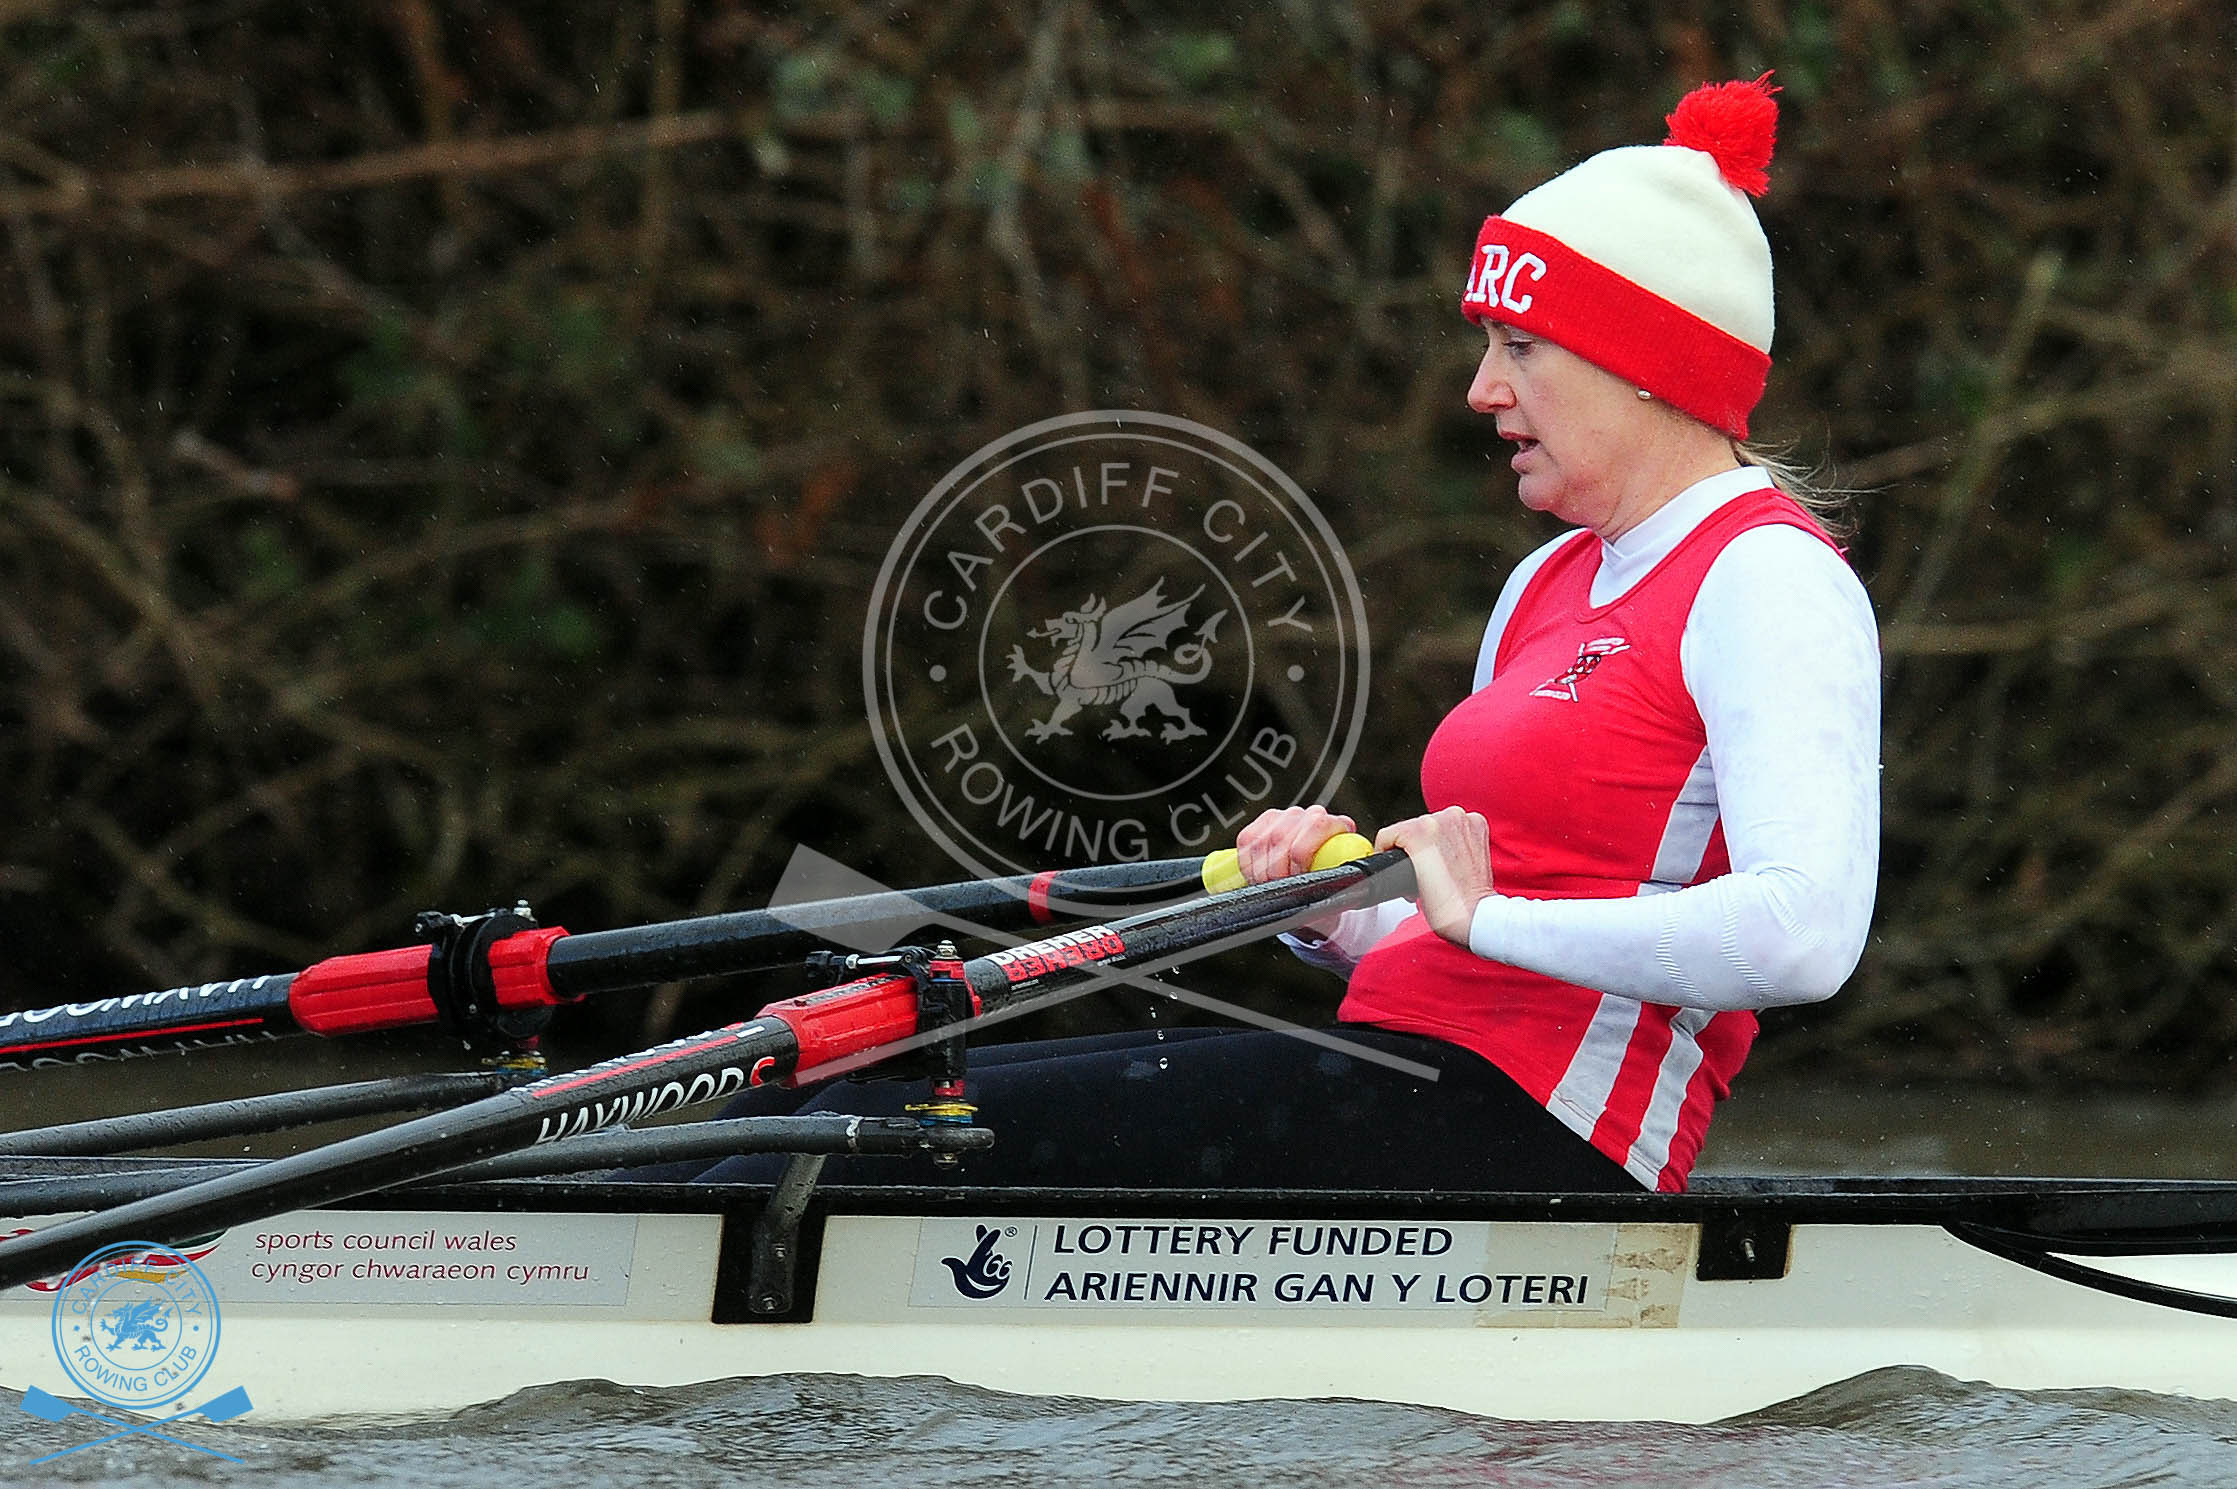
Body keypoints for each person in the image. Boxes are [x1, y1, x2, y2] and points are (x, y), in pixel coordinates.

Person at [670, 75, 1877, 1193]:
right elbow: (1469, 920)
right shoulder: (1549, 582)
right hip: (1407, 1072)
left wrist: (1485, 920)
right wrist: (1342, 913)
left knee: (844, 1158)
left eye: (1518, 347)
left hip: (1532, 1130)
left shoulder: (1765, 581)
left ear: (1646, 368)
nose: (1480, 389)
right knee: (840, 1092)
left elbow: (1800, 934)